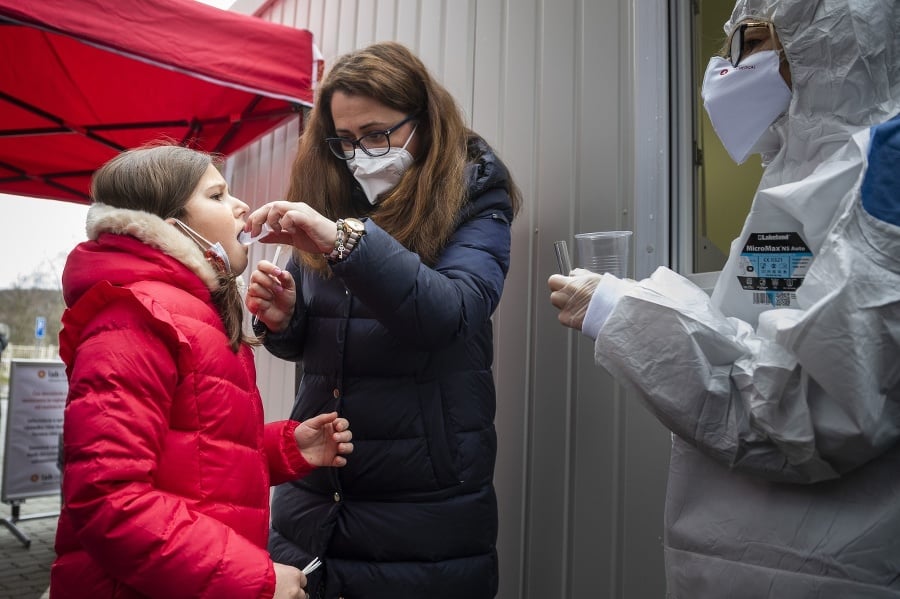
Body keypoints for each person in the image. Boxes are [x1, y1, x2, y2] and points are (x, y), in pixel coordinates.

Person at [548, 1, 899, 597]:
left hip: (825, 575)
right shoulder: (805, 168)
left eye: (747, 43)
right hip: (741, 559)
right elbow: (772, 317)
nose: (724, 67)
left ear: (826, 40)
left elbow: (803, 415)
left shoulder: (881, 175)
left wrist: (622, 311)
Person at [243, 41, 521, 599]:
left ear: (423, 118)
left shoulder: (474, 190)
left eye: (376, 133)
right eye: (345, 139)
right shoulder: (330, 190)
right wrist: (288, 319)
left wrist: (346, 239)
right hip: (317, 491)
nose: (360, 153)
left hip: (422, 505)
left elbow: (452, 313)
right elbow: (322, 340)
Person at [52, 144, 354, 599]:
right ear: (168, 225)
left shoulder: (188, 313)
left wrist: (283, 448)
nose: (241, 206)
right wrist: (257, 581)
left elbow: (192, 456)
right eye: (216, 196)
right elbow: (109, 500)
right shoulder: (133, 319)